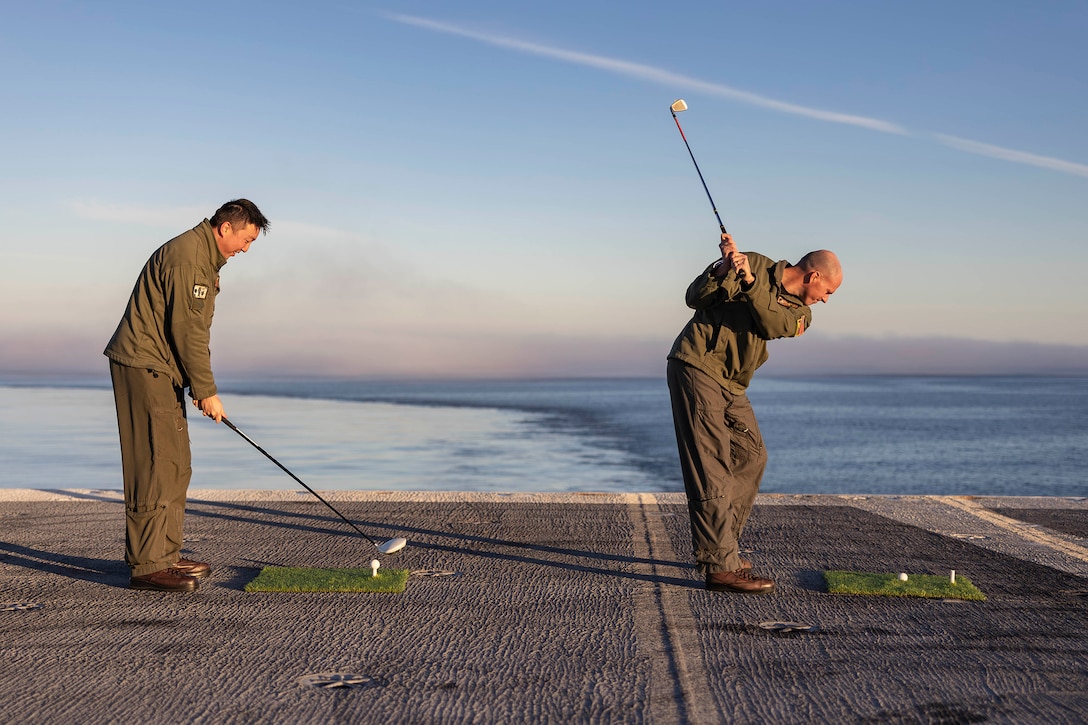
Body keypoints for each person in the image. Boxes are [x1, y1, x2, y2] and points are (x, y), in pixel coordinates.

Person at [105, 199, 270, 592]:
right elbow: (188, 331)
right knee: (154, 463)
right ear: (225, 228)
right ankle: (148, 566)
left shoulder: (202, 257)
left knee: (176, 462)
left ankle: (166, 554)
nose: (246, 249)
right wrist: (206, 390)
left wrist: (195, 385)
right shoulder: (189, 259)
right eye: (245, 240)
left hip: (162, 369)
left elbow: (190, 332)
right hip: (144, 367)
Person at [667, 232, 841, 593]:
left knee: (752, 456)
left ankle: (722, 547)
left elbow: (771, 322)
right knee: (711, 466)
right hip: (698, 366)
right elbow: (694, 298)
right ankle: (720, 565)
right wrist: (721, 268)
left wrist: (747, 281)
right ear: (814, 277)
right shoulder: (755, 263)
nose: (826, 300)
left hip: (733, 383)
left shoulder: (801, 313)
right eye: (828, 292)